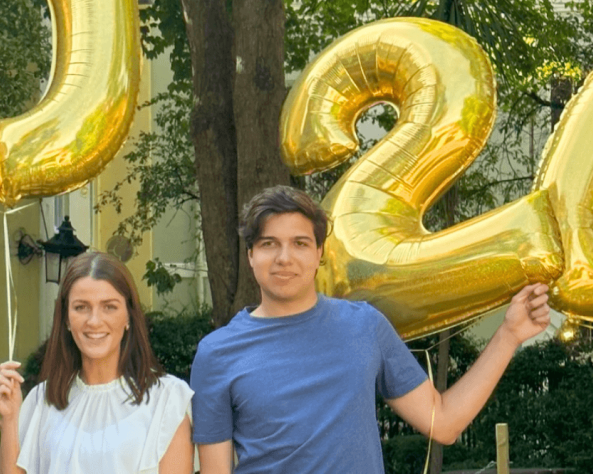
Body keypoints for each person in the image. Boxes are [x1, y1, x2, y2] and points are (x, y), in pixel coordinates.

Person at [191, 185, 552, 473]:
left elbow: (444, 422)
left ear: (319, 254)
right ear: (251, 254)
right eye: (269, 244)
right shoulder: (217, 353)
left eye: (299, 243)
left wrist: (509, 335)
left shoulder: (363, 325)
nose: (284, 257)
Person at [0, 251, 194, 474]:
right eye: (81, 307)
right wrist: (9, 419)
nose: (94, 321)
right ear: (66, 318)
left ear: (128, 317)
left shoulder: (167, 400)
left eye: (109, 306)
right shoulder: (41, 401)